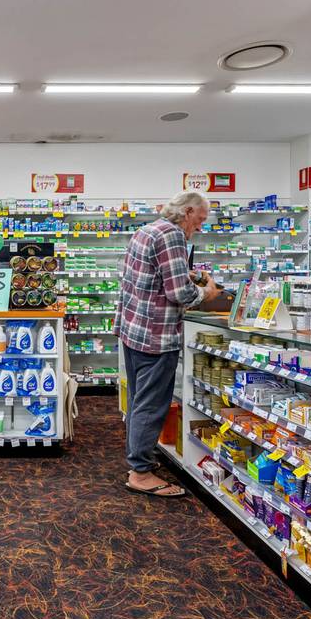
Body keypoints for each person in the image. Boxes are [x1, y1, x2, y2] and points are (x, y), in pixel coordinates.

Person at [116, 190, 219, 498]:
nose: (200, 226)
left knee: (139, 400)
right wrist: (208, 293)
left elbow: (151, 274)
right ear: (187, 212)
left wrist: (189, 275)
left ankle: (139, 460)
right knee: (151, 405)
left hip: (134, 330)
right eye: (200, 219)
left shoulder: (148, 230)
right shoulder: (173, 235)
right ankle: (140, 473)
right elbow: (179, 293)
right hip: (156, 335)